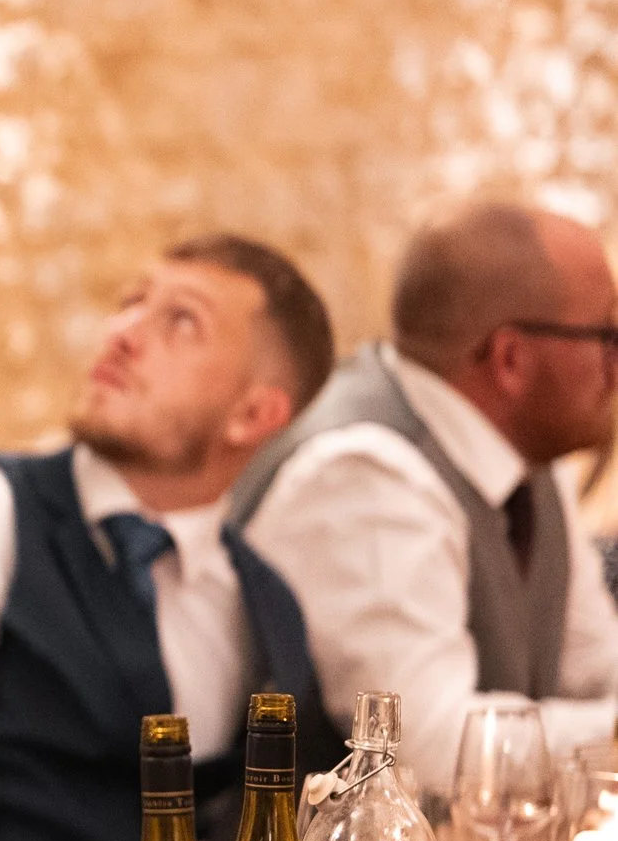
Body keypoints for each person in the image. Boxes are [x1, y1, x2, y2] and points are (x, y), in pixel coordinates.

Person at [0, 235, 343, 841]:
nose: (123, 333)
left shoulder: (266, 609)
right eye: (132, 302)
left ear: (252, 414)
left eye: (181, 321)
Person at [236, 202, 618, 793]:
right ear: (510, 359)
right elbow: (425, 750)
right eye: (607, 335)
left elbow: (594, 667)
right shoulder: (363, 473)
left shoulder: (527, 459)